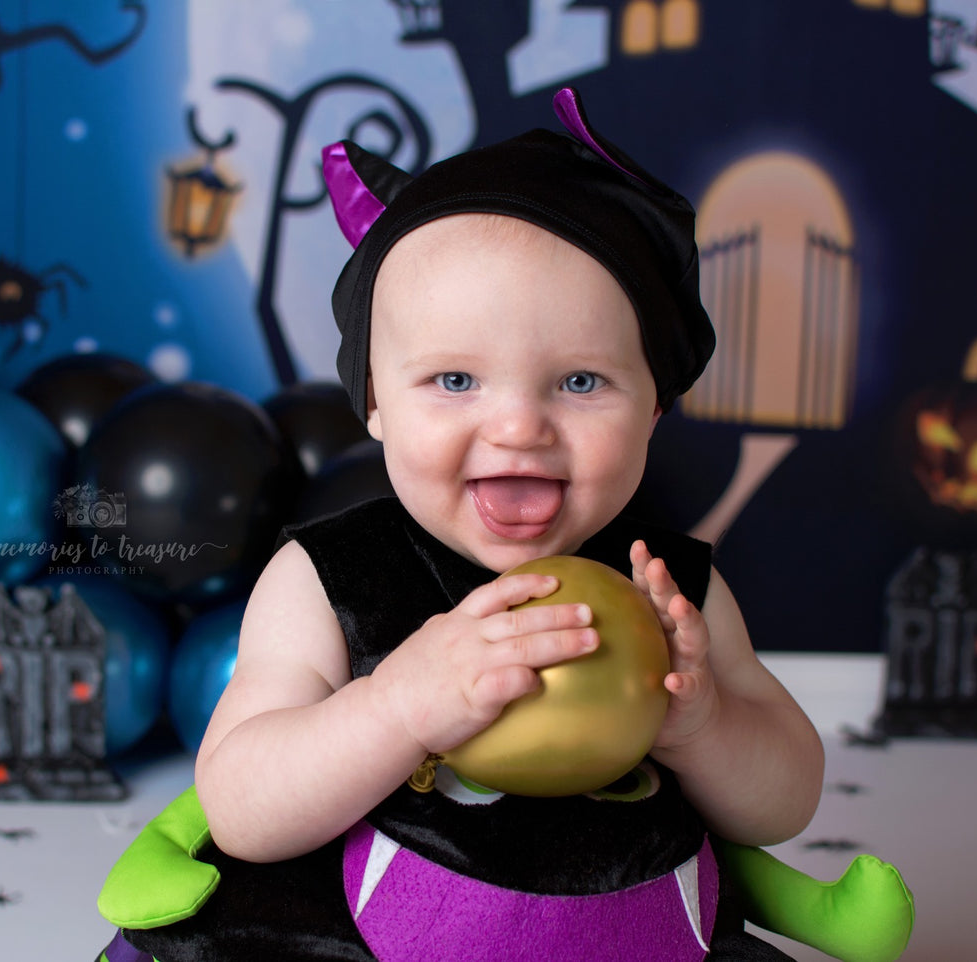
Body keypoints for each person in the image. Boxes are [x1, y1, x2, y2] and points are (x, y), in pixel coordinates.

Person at [109, 87, 827, 962]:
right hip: (369, 934)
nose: (518, 427)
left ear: (654, 408)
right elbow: (242, 808)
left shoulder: (669, 590)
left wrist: (704, 726)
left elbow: (784, 802)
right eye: (455, 381)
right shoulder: (329, 579)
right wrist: (395, 707)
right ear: (374, 402)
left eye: (578, 382)